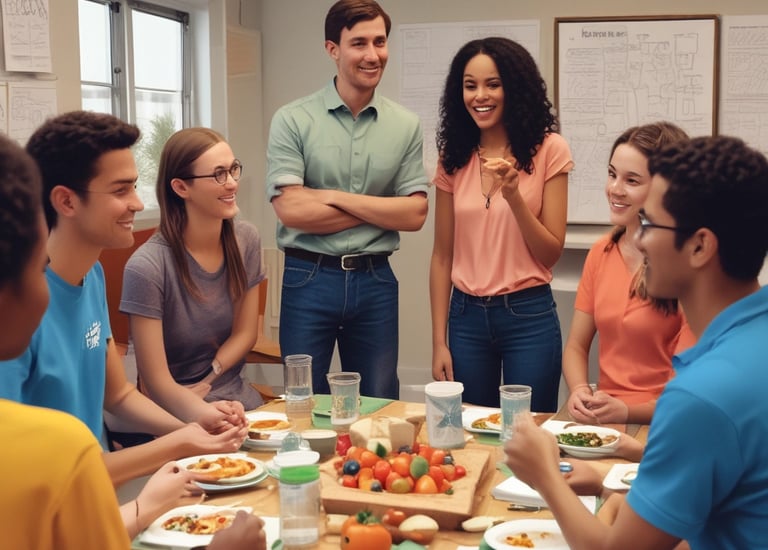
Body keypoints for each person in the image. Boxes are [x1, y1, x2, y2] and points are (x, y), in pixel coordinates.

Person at [0, 132, 266, 549]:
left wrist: (192, 426)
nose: (140, 204)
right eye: (121, 190)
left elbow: (120, 394)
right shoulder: (17, 318)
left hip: (97, 502)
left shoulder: (93, 277)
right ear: (66, 202)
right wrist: (173, 450)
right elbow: (43, 477)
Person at [505, 135, 768, 549]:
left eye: (651, 224)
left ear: (700, 246)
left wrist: (545, 475)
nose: (640, 240)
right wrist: (616, 481)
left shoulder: (700, 397)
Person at [265, 0, 429, 399]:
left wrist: (333, 197)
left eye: (380, 42)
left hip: (375, 279)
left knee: (379, 403)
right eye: (359, 43)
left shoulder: (406, 126)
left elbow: (416, 213)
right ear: (332, 49)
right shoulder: (292, 119)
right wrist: (382, 208)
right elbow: (291, 209)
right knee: (302, 402)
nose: (372, 55)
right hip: (309, 278)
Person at [430, 37, 572, 411]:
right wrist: (438, 341)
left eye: (493, 84)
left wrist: (514, 196)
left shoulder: (550, 149)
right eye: (470, 85)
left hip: (528, 315)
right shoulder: (453, 157)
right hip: (465, 318)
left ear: (515, 87)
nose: (481, 96)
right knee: (473, 432)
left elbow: (551, 252)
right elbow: (442, 257)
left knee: (527, 431)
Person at [121, 128, 265, 418]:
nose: (232, 183)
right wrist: (195, 403)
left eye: (233, 169)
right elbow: (156, 382)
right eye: (218, 174)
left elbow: (246, 333)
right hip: (174, 413)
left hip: (239, 403)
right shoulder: (147, 267)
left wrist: (208, 380)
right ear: (181, 188)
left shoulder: (246, 239)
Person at [563, 122, 694, 425]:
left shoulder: (687, 266)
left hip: (665, 422)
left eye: (631, 180)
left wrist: (627, 411)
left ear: (665, 189)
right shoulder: (601, 252)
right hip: (604, 418)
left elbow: (685, 391)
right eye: (612, 175)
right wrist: (580, 390)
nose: (615, 189)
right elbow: (575, 346)